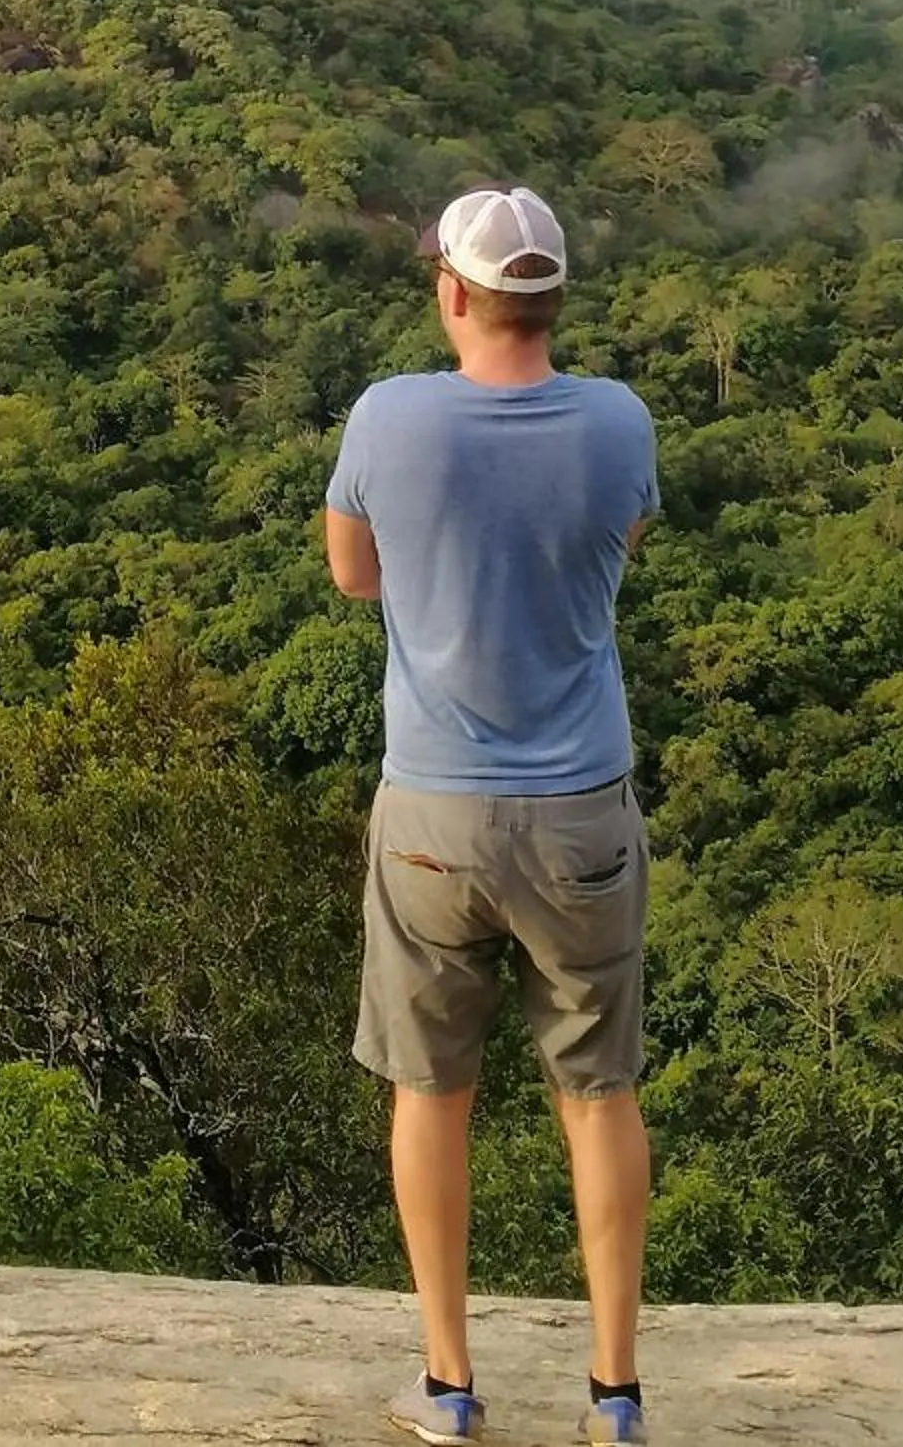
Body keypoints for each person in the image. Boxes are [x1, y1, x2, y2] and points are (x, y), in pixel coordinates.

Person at [325, 186, 661, 1447]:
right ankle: (615, 1395)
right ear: (551, 298)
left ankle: (451, 1386)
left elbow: (354, 575)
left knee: (431, 1091)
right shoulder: (620, 422)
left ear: (454, 295)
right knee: (599, 1090)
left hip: (432, 814)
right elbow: (616, 551)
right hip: (579, 810)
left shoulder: (389, 417)